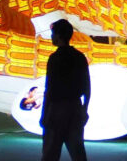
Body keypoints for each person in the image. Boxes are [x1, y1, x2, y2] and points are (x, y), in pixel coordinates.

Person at [41, 18, 90, 161]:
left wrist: (45, 114)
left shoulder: (54, 58)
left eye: (52, 33)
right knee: (78, 153)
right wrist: (84, 109)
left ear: (58, 36)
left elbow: (49, 88)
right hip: (75, 108)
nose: (51, 36)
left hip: (56, 110)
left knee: (50, 152)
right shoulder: (79, 57)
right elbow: (87, 87)